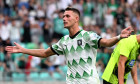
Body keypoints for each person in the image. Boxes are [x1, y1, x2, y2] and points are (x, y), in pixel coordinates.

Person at [6, 7, 133, 84]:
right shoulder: (64, 41)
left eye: (67, 16)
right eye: (63, 16)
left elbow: (105, 42)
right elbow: (45, 53)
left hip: (89, 82)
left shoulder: (87, 36)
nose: (64, 19)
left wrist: (118, 37)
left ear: (76, 18)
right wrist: (24, 50)